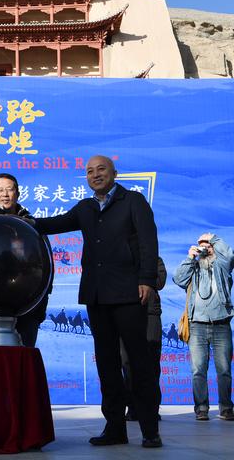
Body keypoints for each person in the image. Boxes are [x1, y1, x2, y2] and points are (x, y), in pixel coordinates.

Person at [35, 155, 162, 448]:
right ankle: (115, 428)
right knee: (107, 364)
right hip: (97, 295)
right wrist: (18, 217)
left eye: (101, 169)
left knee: (139, 363)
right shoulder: (86, 208)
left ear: (114, 173)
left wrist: (146, 280)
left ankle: (149, 429)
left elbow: (148, 241)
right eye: (90, 171)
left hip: (130, 293)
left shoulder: (134, 202)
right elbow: (55, 223)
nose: (95, 175)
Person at [0, 173, 52, 347]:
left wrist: (40, 306)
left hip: (28, 304)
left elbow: (46, 266)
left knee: (24, 357)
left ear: (18, 193)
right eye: (0, 190)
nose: (5, 194)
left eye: (9, 189)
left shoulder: (33, 226)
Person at [174, 233, 234, 421]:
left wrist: (215, 240)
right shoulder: (193, 267)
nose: (205, 249)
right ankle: (201, 408)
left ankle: (226, 408)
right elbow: (178, 279)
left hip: (221, 324)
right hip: (197, 326)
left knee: (224, 369)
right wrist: (190, 257)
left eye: (208, 246)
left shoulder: (222, 266)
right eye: (201, 245)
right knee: (198, 370)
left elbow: (231, 256)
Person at [123, 256, 166, 422]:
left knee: (151, 362)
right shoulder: (121, 256)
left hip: (150, 314)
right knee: (127, 363)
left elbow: (160, 282)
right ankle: (132, 407)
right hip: (125, 312)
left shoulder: (155, 259)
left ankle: (151, 407)